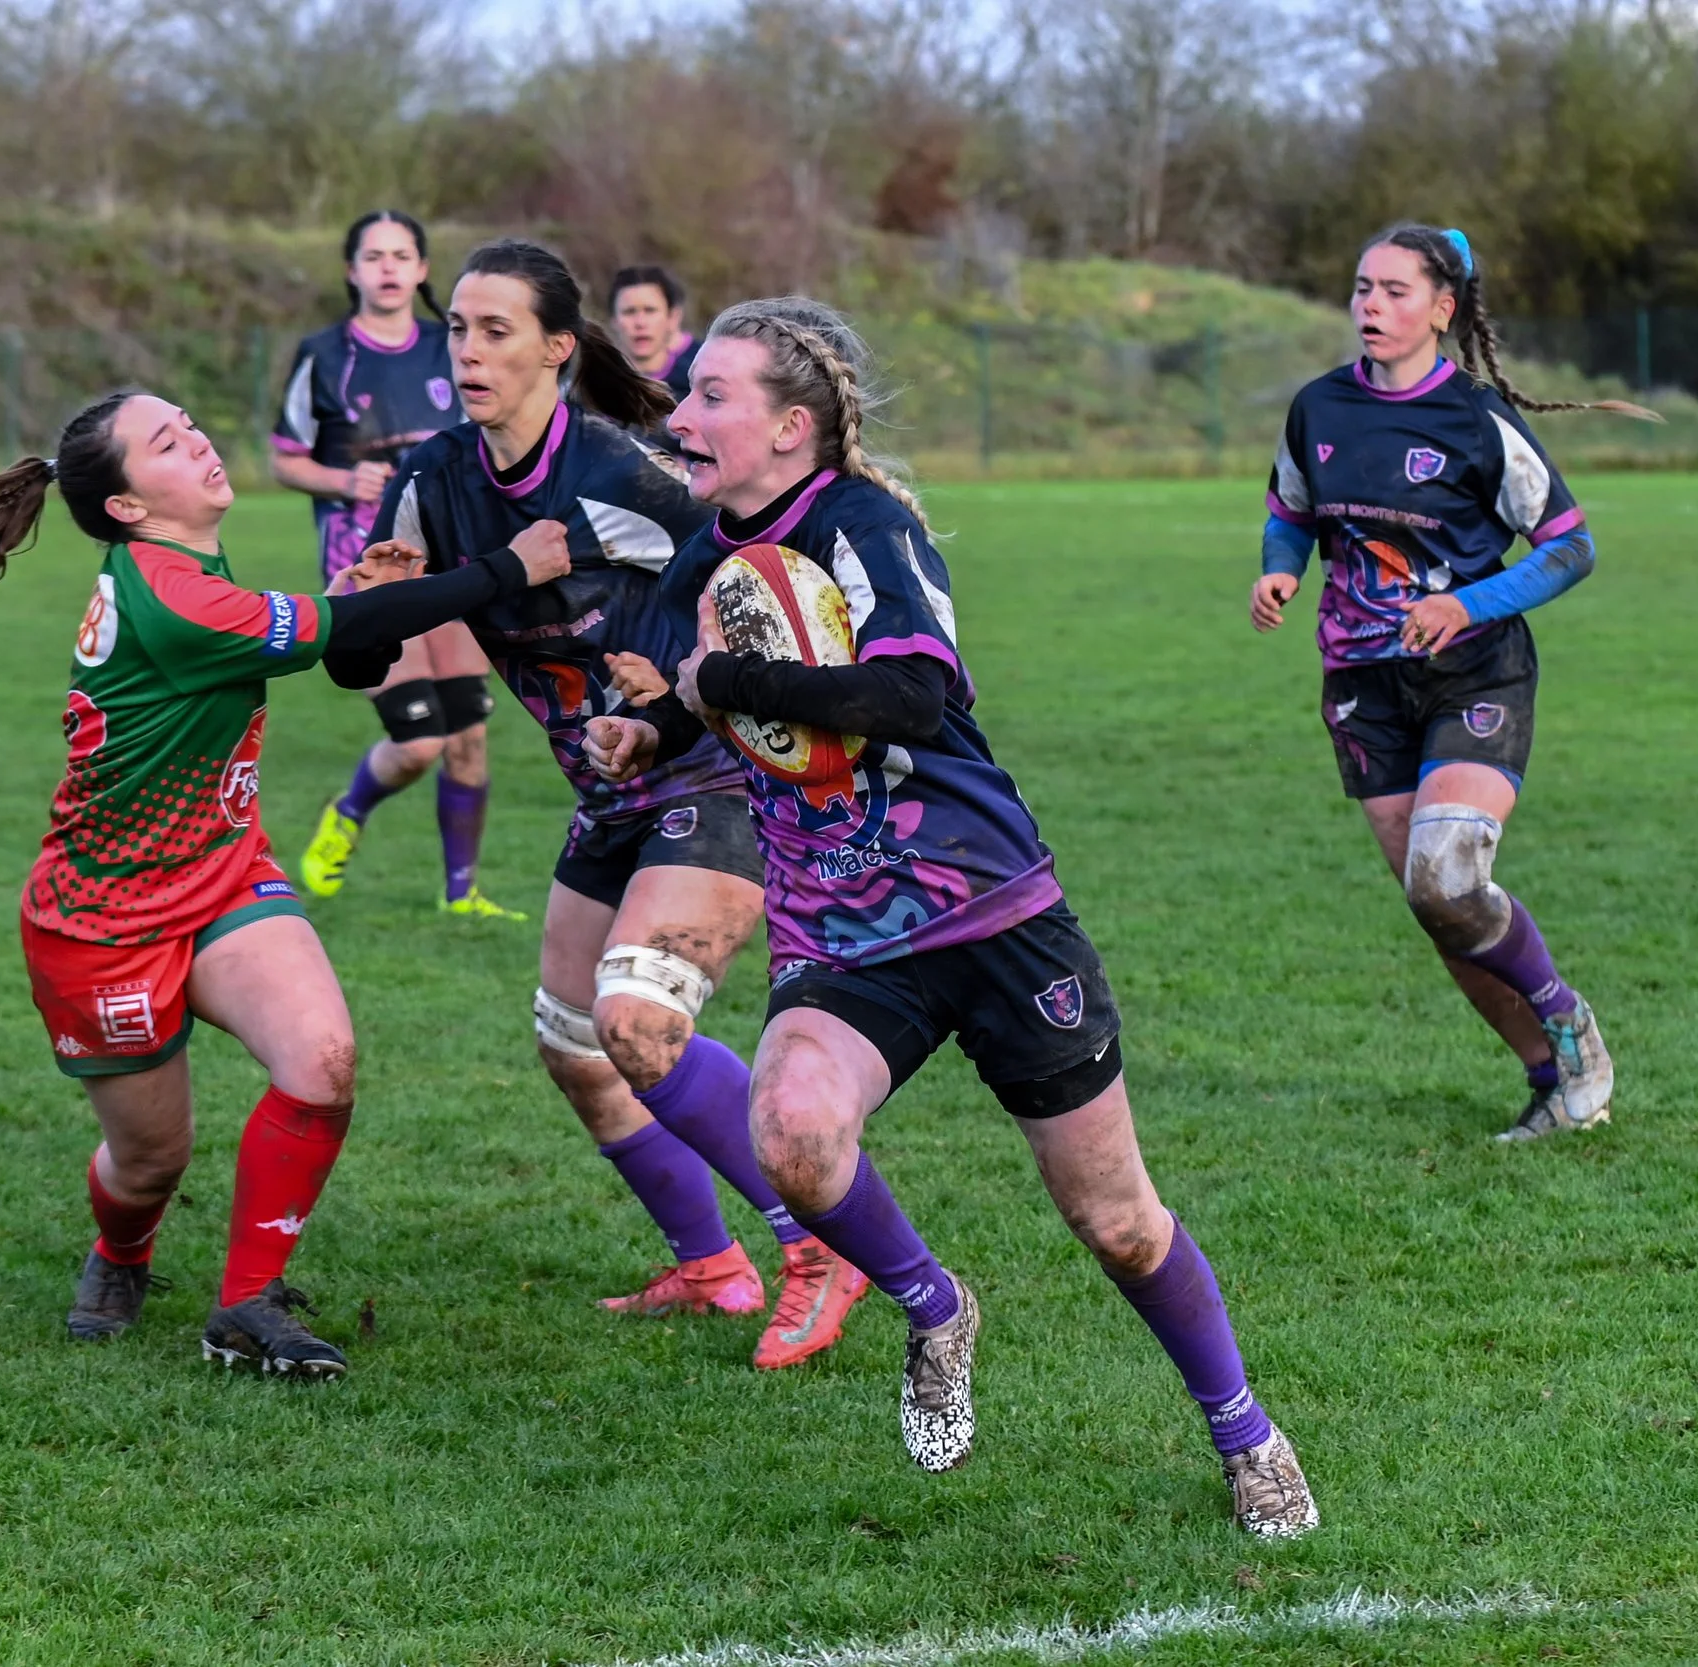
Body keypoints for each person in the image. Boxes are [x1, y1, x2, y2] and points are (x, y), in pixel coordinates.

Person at [585, 298, 1318, 1537]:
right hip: (843, 931)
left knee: (1117, 1221)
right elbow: (736, 711)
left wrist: (719, 682)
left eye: (713, 394)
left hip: (989, 912)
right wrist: (649, 726)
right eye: (686, 391)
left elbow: (912, 697)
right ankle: (935, 1308)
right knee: (794, 1132)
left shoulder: (866, 525)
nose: (684, 414)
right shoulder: (702, 565)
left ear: (793, 426)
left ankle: (1244, 1428)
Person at [0, 387, 572, 1376]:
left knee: (323, 1057)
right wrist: (507, 569)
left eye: (189, 423)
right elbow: (339, 633)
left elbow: (344, 653)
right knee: (150, 1161)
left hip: (218, 873)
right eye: (167, 442)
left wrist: (363, 604)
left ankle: (245, 1301)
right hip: (104, 919)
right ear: (128, 504)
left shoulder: (182, 566)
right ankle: (121, 1250)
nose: (199, 440)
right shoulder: (170, 594)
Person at [375, 240, 868, 1370]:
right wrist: (375, 604)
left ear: (557, 347)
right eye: (456, 326)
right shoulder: (432, 481)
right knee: (572, 1043)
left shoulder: (626, 473)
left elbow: (762, 588)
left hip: (713, 778)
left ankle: (818, 1240)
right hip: (608, 796)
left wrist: (680, 686)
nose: (467, 349)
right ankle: (712, 1263)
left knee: (637, 1021)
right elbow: (362, 662)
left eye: (495, 329)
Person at [1253, 224, 1644, 1141]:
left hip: (1474, 671)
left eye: (1393, 291)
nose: (1370, 307)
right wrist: (1280, 567)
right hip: (1360, 683)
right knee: (1444, 912)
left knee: (1447, 875)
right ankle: (1557, 1077)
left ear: (1444, 307)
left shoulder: (1478, 422)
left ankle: (1570, 1027)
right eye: (1360, 289)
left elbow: (1570, 548)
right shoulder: (1318, 409)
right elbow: (1291, 512)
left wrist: (1469, 604)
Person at [273, 210, 522, 922]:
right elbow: (284, 460)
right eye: (373, 255)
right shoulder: (324, 354)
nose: (387, 267)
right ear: (351, 270)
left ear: (421, 271)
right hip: (368, 567)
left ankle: (461, 897)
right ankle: (347, 814)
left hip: (449, 560)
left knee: (469, 736)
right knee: (418, 741)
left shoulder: (454, 348)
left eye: (402, 255)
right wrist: (344, 482)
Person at [611, 264, 697, 400]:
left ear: (672, 317)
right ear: (614, 320)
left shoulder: (694, 387)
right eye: (629, 312)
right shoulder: (593, 389)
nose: (640, 322)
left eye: (650, 310)